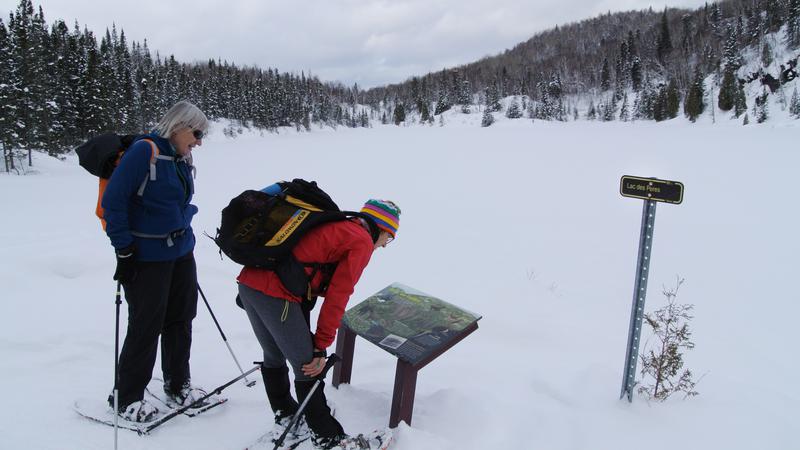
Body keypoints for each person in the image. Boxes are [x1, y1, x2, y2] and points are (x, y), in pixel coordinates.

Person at [237, 199, 400, 449]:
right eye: (388, 238)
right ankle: (328, 439)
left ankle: (287, 415)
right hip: (274, 293)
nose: (383, 245)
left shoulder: (337, 224)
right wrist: (320, 346)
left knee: (274, 355)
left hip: (250, 284)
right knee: (308, 366)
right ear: (382, 228)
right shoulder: (360, 242)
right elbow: (338, 295)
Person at [101, 100, 208, 422]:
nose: (199, 141)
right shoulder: (144, 152)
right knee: (146, 325)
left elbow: (175, 203)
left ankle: (177, 385)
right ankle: (126, 397)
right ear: (178, 125)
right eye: (197, 132)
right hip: (147, 257)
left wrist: (184, 221)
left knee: (181, 319)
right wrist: (124, 249)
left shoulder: (180, 157)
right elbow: (114, 203)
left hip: (180, 252)